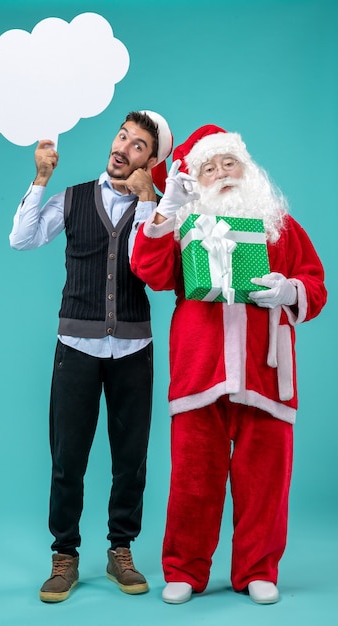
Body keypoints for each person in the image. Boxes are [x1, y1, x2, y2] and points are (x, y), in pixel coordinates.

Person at [130, 124, 327, 605]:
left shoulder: (280, 224)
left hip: (266, 375)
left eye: (228, 163)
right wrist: (167, 210)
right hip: (202, 372)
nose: (221, 174)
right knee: (193, 481)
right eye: (209, 168)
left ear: (247, 168)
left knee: (265, 482)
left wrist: (289, 290)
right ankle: (184, 570)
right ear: (196, 179)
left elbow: (315, 285)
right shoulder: (182, 226)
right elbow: (150, 272)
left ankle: (258, 569)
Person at [9, 110, 172, 602]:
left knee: (131, 459)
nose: (124, 147)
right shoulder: (74, 197)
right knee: (68, 458)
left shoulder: (160, 208)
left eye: (139, 145)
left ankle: (120, 549)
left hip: (133, 347)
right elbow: (22, 239)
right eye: (123, 136)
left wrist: (148, 201)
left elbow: (146, 265)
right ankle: (65, 555)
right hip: (76, 346)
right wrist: (40, 179)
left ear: (151, 161)